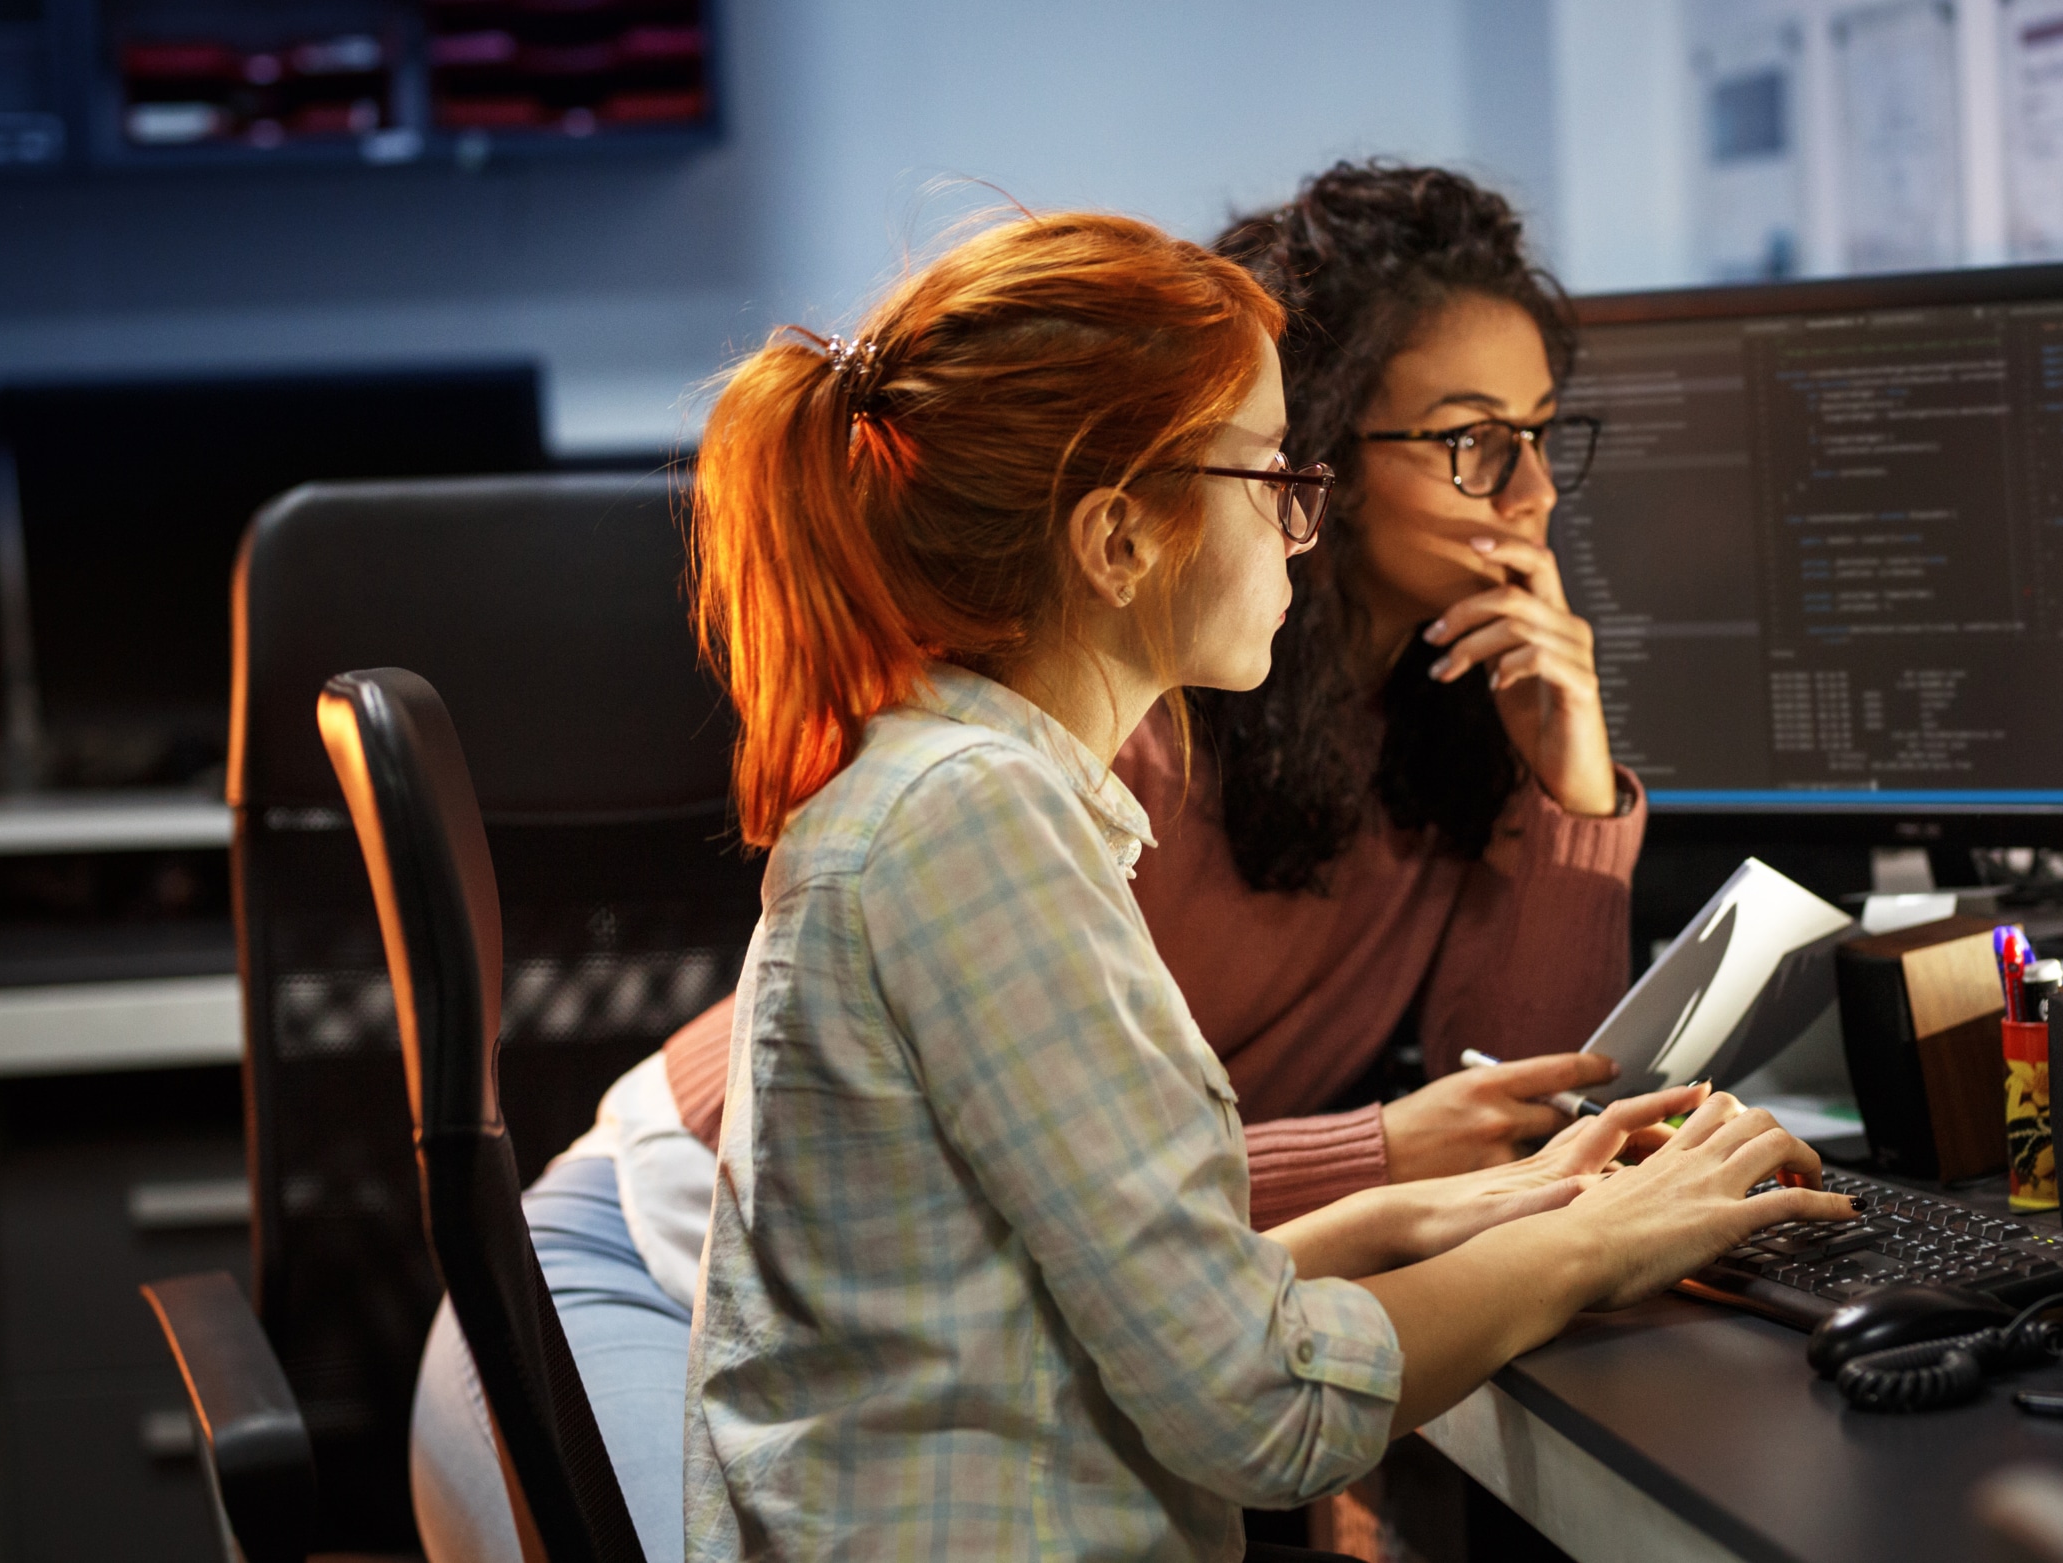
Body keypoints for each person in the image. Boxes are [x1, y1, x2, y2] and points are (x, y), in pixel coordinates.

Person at [409, 163, 1658, 1561]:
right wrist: (1424, 1187)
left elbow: (1500, 1108)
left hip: (930, 1347)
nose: (1535, 493)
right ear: (1127, 532)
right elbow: (1195, 1329)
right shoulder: (1041, 773)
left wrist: (1570, 797)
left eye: (1546, 434)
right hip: (647, 1255)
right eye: (1472, 439)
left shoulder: (1295, 735)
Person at [677, 207, 1850, 1558]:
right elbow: (1262, 1407)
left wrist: (1421, 1211)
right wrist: (1600, 1245)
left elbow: (1023, 1301)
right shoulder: (977, 824)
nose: (1304, 525)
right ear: (1119, 542)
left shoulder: (974, 789)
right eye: (1271, 481)